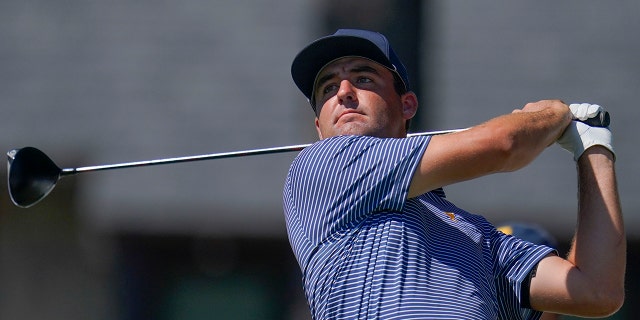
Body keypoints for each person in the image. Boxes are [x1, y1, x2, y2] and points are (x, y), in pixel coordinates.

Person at [283, 29, 625, 319]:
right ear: (318, 127)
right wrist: (551, 113)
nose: (343, 92)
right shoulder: (325, 163)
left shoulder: (473, 233)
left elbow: (596, 291)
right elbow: (504, 144)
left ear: (407, 106)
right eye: (328, 88)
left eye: (363, 78)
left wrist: (593, 150)